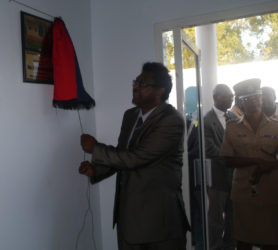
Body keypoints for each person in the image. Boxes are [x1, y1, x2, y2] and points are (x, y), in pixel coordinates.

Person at [79, 62, 190, 250]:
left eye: (142, 83)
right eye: (136, 82)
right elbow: (123, 153)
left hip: (160, 223)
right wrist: (96, 170)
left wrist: (96, 148)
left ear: (160, 91)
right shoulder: (130, 116)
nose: (135, 86)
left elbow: (136, 158)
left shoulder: (171, 121)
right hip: (129, 219)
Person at [221, 78, 278, 250]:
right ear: (240, 103)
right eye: (248, 98)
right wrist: (254, 161)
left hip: (272, 192)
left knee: (272, 240)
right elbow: (227, 160)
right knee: (243, 240)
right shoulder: (232, 127)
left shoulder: (276, 127)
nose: (253, 101)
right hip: (244, 194)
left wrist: (271, 165)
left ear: (261, 98)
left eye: (256, 96)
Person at [204, 84, 236, 250]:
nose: (232, 98)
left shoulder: (234, 117)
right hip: (218, 178)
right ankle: (215, 247)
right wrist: (232, 158)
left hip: (235, 177)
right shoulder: (206, 120)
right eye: (228, 96)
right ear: (216, 98)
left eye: (232, 95)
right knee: (216, 218)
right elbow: (209, 148)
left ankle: (231, 245)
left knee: (233, 216)